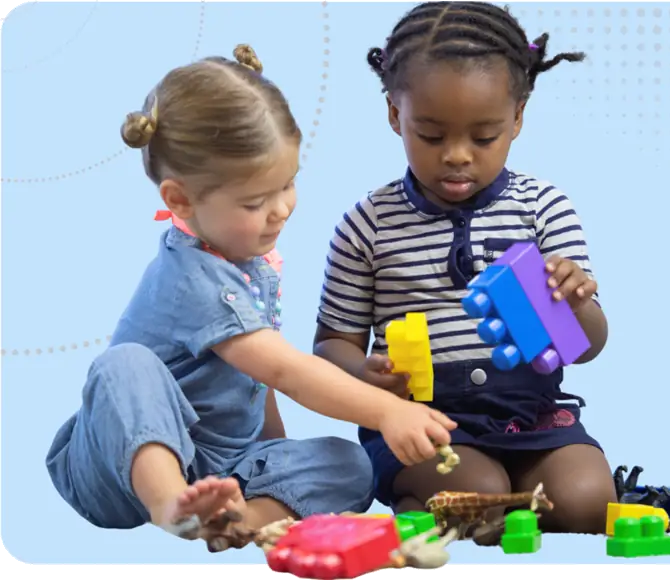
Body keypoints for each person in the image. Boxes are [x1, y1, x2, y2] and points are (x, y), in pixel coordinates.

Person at [46, 44, 456, 548]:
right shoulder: (193, 276)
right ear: (180, 199)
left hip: (220, 466)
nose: (282, 209)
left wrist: (279, 464)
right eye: (255, 201)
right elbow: (286, 370)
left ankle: (239, 519)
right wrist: (386, 410)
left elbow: (259, 380)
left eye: (288, 184)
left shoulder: (248, 262)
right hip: (116, 465)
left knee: (352, 464)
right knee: (124, 365)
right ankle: (171, 504)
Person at [314, 1, 617, 539]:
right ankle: (420, 493)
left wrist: (576, 304)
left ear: (518, 118)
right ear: (394, 114)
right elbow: (332, 345)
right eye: (431, 135)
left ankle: (510, 496)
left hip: (535, 417)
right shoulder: (368, 224)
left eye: (484, 137)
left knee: (590, 505)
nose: (457, 155)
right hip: (423, 424)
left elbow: (587, 346)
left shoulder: (543, 208)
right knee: (479, 498)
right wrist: (369, 377)